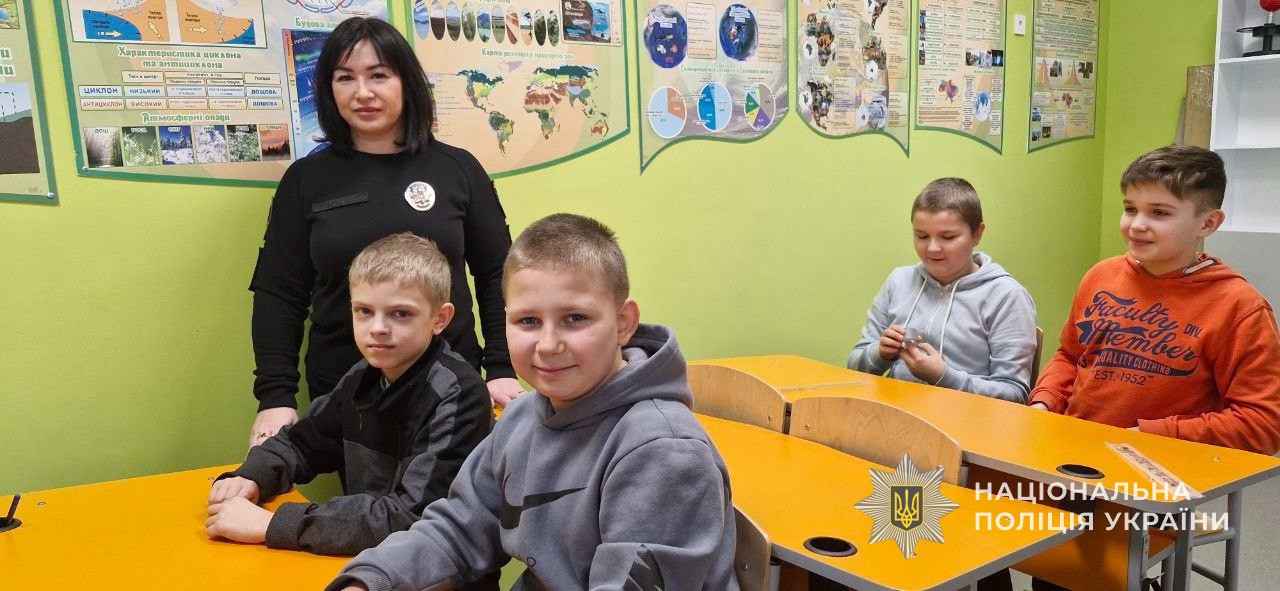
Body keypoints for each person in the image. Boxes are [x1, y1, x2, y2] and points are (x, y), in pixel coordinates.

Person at [326, 214, 740, 591]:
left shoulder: (663, 451)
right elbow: (458, 530)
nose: (548, 344)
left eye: (575, 318)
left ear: (623, 323)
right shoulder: (523, 417)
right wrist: (370, 582)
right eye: (528, 321)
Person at [248, 16, 522, 447]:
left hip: (450, 387)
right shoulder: (305, 180)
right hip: (345, 392)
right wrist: (275, 396)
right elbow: (279, 292)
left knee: (456, 491)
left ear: (406, 83)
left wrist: (501, 367)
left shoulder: (457, 169)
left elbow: (497, 274)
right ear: (329, 89)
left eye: (378, 75)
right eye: (345, 77)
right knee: (367, 492)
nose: (362, 92)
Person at [205, 233, 493, 565]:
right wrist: (252, 475)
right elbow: (301, 443)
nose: (378, 328)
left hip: (437, 574)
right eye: (364, 311)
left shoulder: (459, 394)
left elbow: (411, 519)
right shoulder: (363, 376)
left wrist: (273, 524)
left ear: (439, 319)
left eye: (401, 314)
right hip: (371, 564)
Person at [1029, 145, 1280, 455]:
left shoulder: (1240, 307)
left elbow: (1263, 424)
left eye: (1159, 213)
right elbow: (1070, 356)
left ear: (1208, 224)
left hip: (1159, 467)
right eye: (1130, 209)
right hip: (1074, 451)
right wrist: (1045, 400)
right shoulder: (1101, 275)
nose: (1136, 225)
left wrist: (1153, 435)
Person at [848, 177, 1038, 404]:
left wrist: (944, 377)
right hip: (895, 414)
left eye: (948, 237)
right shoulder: (899, 281)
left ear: (977, 234)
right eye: (922, 236)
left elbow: (1015, 395)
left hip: (965, 421)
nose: (932, 248)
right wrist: (879, 354)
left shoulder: (1006, 297)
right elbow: (853, 365)